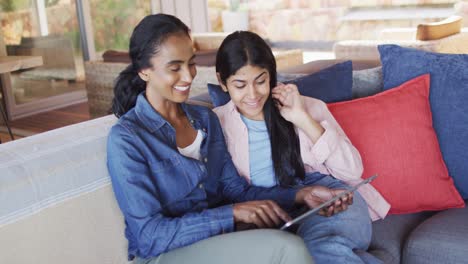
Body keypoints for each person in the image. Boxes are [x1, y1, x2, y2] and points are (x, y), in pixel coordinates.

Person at [106, 14, 353, 264]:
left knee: (293, 232)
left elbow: (236, 190)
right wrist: (231, 214)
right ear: (144, 71)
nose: (189, 76)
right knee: (287, 249)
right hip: (166, 254)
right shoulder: (127, 138)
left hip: (218, 239)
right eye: (174, 68)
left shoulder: (205, 119)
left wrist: (301, 195)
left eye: (191, 63)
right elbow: (150, 236)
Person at [213, 31, 391, 264]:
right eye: (240, 85)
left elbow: (352, 170)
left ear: (271, 76)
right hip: (267, 210)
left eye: (261, 81)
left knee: (316, 251)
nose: (253, 94)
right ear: (222, 82)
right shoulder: (214, 124)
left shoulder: (305, 106)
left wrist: (301, 118)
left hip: (328, 195)